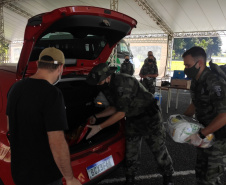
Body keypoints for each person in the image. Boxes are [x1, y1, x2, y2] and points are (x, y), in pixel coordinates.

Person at [85, 63, 174, 185]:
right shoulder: (106, 86)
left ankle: (168, 177)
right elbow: (114, 107)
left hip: (149, 118)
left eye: (99, 81)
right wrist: (96, 116)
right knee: (131, 151)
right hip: (133, 118)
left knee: (158, 150)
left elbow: (121, 113)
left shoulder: (124, 82)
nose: (97, 84)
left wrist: (99, 127)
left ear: (107, 77)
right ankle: (130, 178)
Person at [6, 47, 81, 185]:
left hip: (19, 173)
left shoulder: (15, 88)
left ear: (38, 64)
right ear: (60, 67)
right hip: (44, 176)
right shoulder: (52, 94)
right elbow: (57, 142)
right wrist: (69, 178)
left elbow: (9, 125)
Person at [183, 46, 226, 185]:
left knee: (210, 176)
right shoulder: (197, 80)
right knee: (201, 172)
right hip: (206, 132)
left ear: (199, 63)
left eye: (187, 65)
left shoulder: (214, 82)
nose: (185, 68)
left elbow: (224, 115)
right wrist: (182, 119)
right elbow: (196, 103)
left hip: (220, 137)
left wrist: (200, 135)